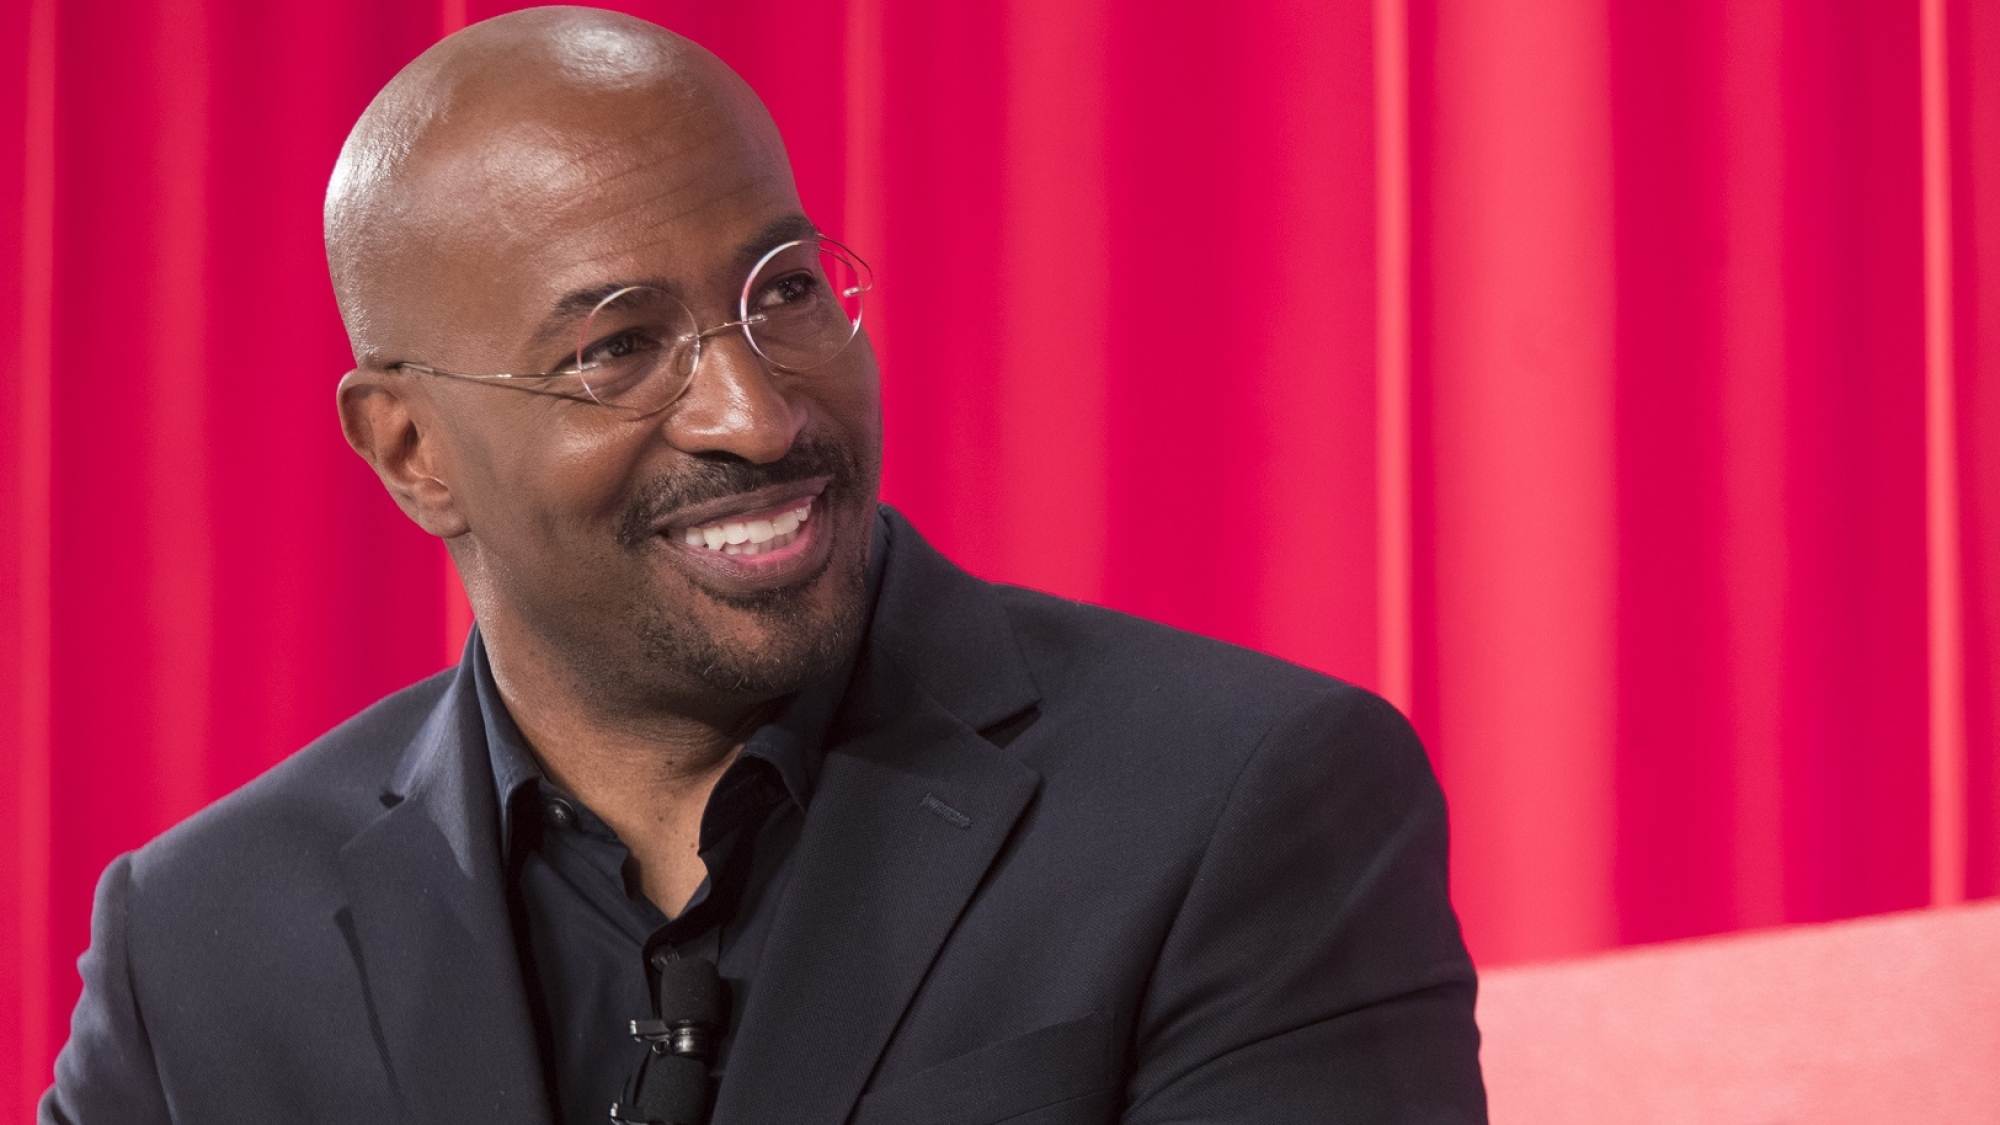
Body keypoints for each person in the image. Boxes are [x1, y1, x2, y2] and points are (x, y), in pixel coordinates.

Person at [43, 7, 1485, 1123]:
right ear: (412, 447)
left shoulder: (1246, 800)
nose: (763, 411)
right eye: (617, 347)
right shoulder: (197, 951)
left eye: (784, 291)